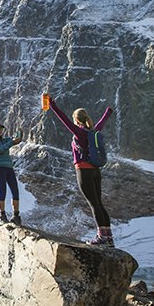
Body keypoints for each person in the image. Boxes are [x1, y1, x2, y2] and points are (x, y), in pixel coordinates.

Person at [43, 94, 115, 246]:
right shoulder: (94, 131)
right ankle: (109, 237)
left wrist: (52, 105)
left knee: (93, 204)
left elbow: (64, 120)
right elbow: (102, 121)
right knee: (99, 203)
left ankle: (102, 238)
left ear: (76, 120)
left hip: (83, 170)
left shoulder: (79, 132)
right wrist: (109, 111)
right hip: (96, 171)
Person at [0, 122, 24, 225]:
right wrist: (12, 141)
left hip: (8, 168)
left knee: (15, 191)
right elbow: (0, 150)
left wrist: (19, 132)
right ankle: (2, 216)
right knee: (2, 192)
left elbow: (16, 140)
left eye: (0, 129)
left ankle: (16, 215)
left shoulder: (4, 140)